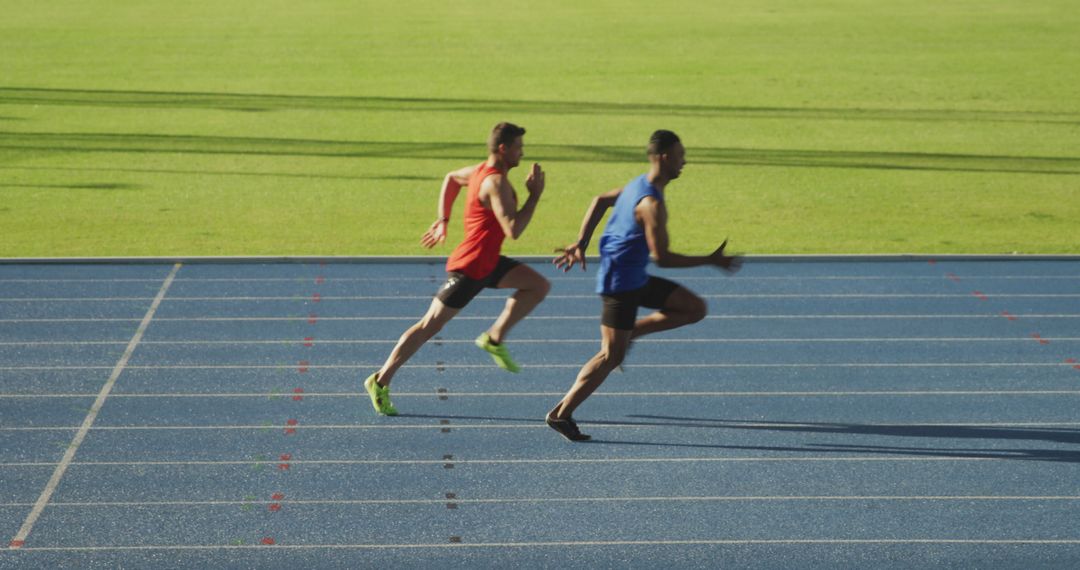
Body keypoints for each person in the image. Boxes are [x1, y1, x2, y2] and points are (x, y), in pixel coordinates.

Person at [548, 129, 741, 440]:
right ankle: (560, 414)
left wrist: (581, 242)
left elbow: (599, 200)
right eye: (680, 156)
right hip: (620, 284)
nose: (684, 162)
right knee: (611, 356)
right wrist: (710, 259)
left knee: (694, 308)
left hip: (633, 276)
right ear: (663, 157)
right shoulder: (650, 204)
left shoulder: (638, 184)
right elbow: (662, 257)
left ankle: (634, 331)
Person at [363, 122, 551, 415]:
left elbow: (451, 178)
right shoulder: (495, 183)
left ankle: (494, 338)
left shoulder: (477, 171)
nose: (522, 153)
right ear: (503, 149)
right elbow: (514, 229)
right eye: (518, 148)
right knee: (429, 325)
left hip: (489, 261)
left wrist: (443, 219)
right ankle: (380, 380)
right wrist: (535, 196)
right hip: (471, 266)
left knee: (538, 286)